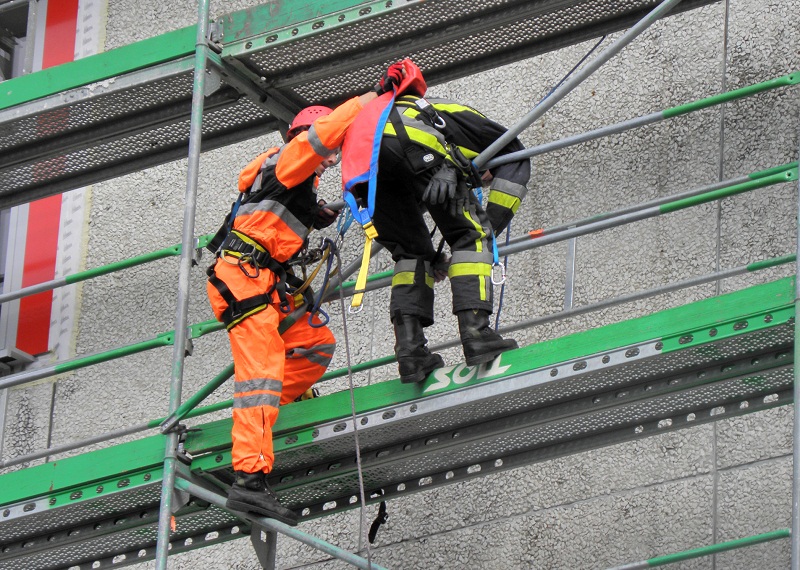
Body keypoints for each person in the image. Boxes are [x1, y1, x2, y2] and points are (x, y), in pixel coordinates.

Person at [205, 66, 402, 525]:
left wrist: (318, 214)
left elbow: (278, 217)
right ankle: (249, 480)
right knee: (260, 375)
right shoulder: (287, 160)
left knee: (314, 344)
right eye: (329, 152)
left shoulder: (292, 184)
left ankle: (264, 418)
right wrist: (370, 98)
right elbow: (318, 139)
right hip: (244, 279)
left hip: (263, 282)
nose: (331, 159)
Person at [341, 59, 531, 384]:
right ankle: (477, 335)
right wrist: (487, 228)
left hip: (363, 172)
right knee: (471, 238)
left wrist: (431, 257)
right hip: (414, 147)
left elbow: (404, 218)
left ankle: (411, 354)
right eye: (485, 178)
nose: (483, 182)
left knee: (410, 254)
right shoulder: (451, 111)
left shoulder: (374, 117)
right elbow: (516, 157)